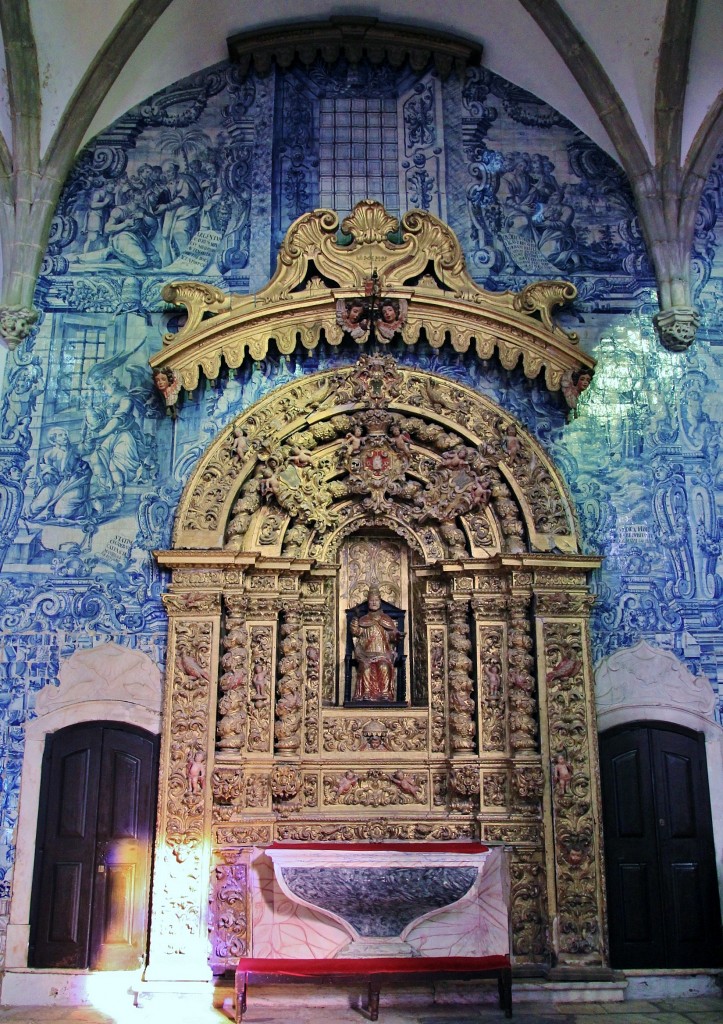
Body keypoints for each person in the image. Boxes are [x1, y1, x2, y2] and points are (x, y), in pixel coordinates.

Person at [350, 586, 401, 702]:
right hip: (367, 653)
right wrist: (355, 622)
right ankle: (366, 692)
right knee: (366, 668)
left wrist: (396, 635)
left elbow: (393, 634)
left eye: (376, 600)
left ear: (380, 602)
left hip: (383, 652)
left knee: (383, 666)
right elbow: (357, 632)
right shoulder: (363, 619)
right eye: (371, 600)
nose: (374, 603)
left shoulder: (386, 619)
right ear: (368, 602)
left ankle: (384, 693)